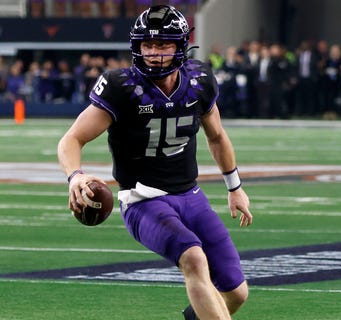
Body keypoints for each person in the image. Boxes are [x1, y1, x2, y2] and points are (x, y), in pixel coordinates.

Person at [57, 5, 253, 320]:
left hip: (191, 196)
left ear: (180, 46)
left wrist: (235, 187)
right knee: (194, 259)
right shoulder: (123, 87)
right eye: (147, 45)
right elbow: (72, 139)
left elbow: (216, 137)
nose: (153, 53)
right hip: (143, 199)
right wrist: (75, 176)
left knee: (235, 292)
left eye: (162, 45)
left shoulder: (199, 80)